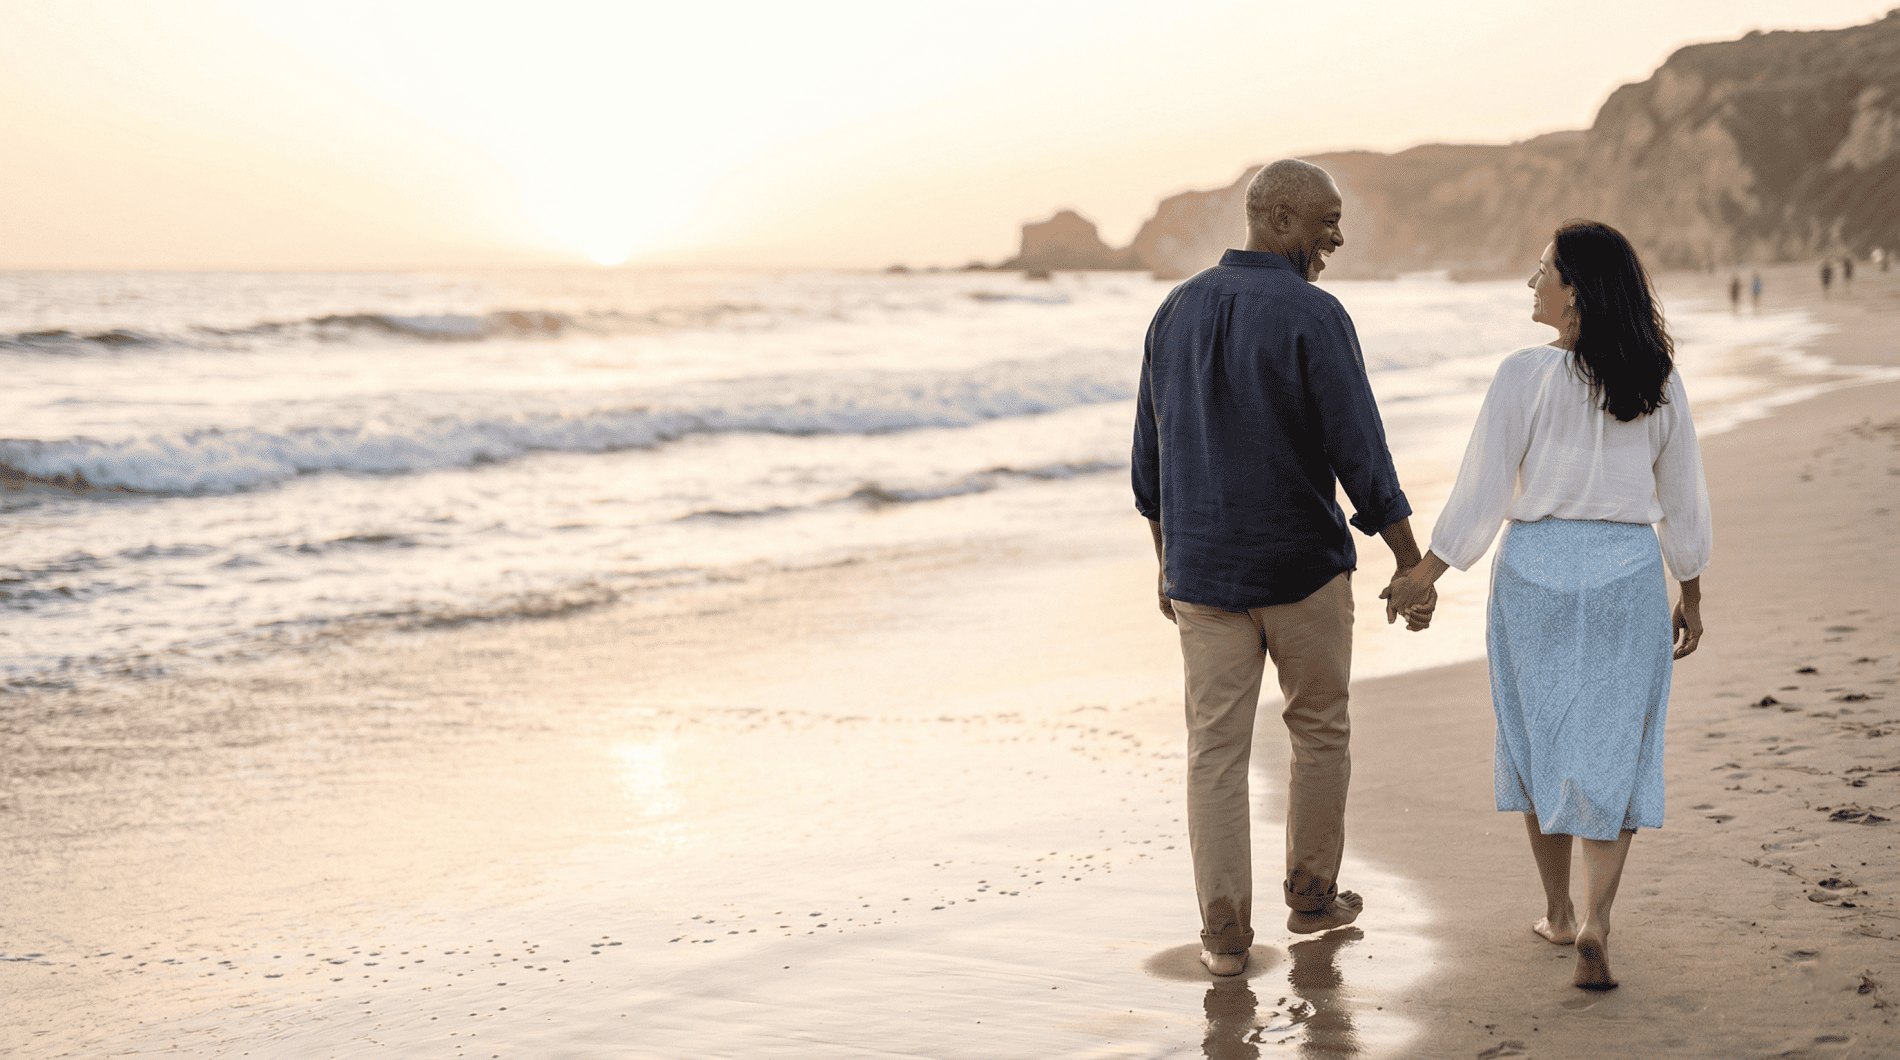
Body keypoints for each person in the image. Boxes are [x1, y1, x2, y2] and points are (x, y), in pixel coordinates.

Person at [1384, 220, 1710, 991]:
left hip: (1534, 573)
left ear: (1577, 291)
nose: (1532, 283)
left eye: (1543, 271)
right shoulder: (1657, 378)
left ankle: (1558, 914)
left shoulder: (1521, 375)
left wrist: (1427, 570)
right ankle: (1598, 921)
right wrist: (1690, 586)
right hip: (1626, 572)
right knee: (1616, 745)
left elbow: (1483, 489)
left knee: (1539, 738)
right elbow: (1684, 498)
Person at [1132, 159, 1430, 978]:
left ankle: (1224, 936)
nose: (1337, 235)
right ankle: (1312, 896)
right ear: (1282, 218)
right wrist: (1410, 563)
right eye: (1327, 220)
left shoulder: (1173, 311)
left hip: (1204, 578)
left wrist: (1168, 566)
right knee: (1319, 732)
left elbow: (1148, 468)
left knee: (1215, 754)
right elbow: (1362, 456)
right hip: (1302, 572)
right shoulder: (1315, 315)